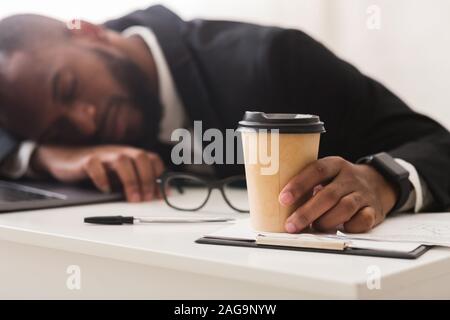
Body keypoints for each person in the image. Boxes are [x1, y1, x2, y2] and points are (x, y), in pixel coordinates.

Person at [0, 5, 449, 233]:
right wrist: (44, 155)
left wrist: (381, 179)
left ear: (89, 31)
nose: (85, 120)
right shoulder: (50, 105)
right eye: (60, 127)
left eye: (69, 88)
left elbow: (437, 144)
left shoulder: (274, 62)